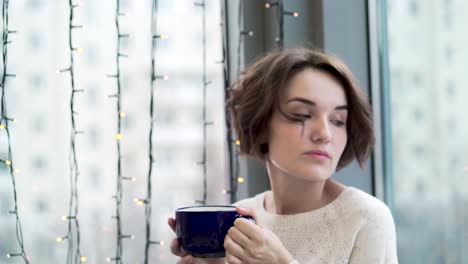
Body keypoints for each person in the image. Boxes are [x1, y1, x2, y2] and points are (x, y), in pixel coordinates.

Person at [168, 48, 398, 264]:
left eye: (338, 121)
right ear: (261, 124)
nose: (324, 134)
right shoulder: (240, 218)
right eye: (302, 115)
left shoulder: (366, 218)